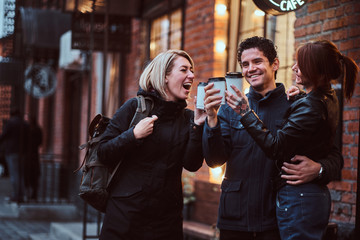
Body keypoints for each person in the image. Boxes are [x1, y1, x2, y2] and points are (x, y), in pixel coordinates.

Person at [202, 36, 344, 240]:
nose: (250, 68)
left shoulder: (295, 105)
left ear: (275, 64)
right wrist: (211, 117)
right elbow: (214, 160)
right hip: (234, 219)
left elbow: (335, 157)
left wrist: (319, 169)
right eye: (245, 64)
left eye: (257, 61)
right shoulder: (227, 109)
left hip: (277, 219)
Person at [97, 49, 206, 240]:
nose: (191, 75)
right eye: (184, 70)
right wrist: (133, 135)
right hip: (125, 216)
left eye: (192, 70)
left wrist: (197, 126)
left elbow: (191, 164)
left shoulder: (189, 118)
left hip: (166, 221)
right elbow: (103, 152)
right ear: (164, 76)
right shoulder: (134, 108)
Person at [0, 108, 29, 203]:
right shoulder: (25, 124)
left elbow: (3, 136)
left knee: (14, 174)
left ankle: (16, 195)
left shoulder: (10, 123)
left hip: (12, 152)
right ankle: (21, 195)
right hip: (23, 152)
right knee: (21, 174)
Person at [24, 115, 42, 201]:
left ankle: (29, 194)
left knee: (29, 176)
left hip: (29, 156)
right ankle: (33, 194)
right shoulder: (38, 129)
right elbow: (40, 142)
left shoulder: (28, 130)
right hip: (34, 155)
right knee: (34, 177)